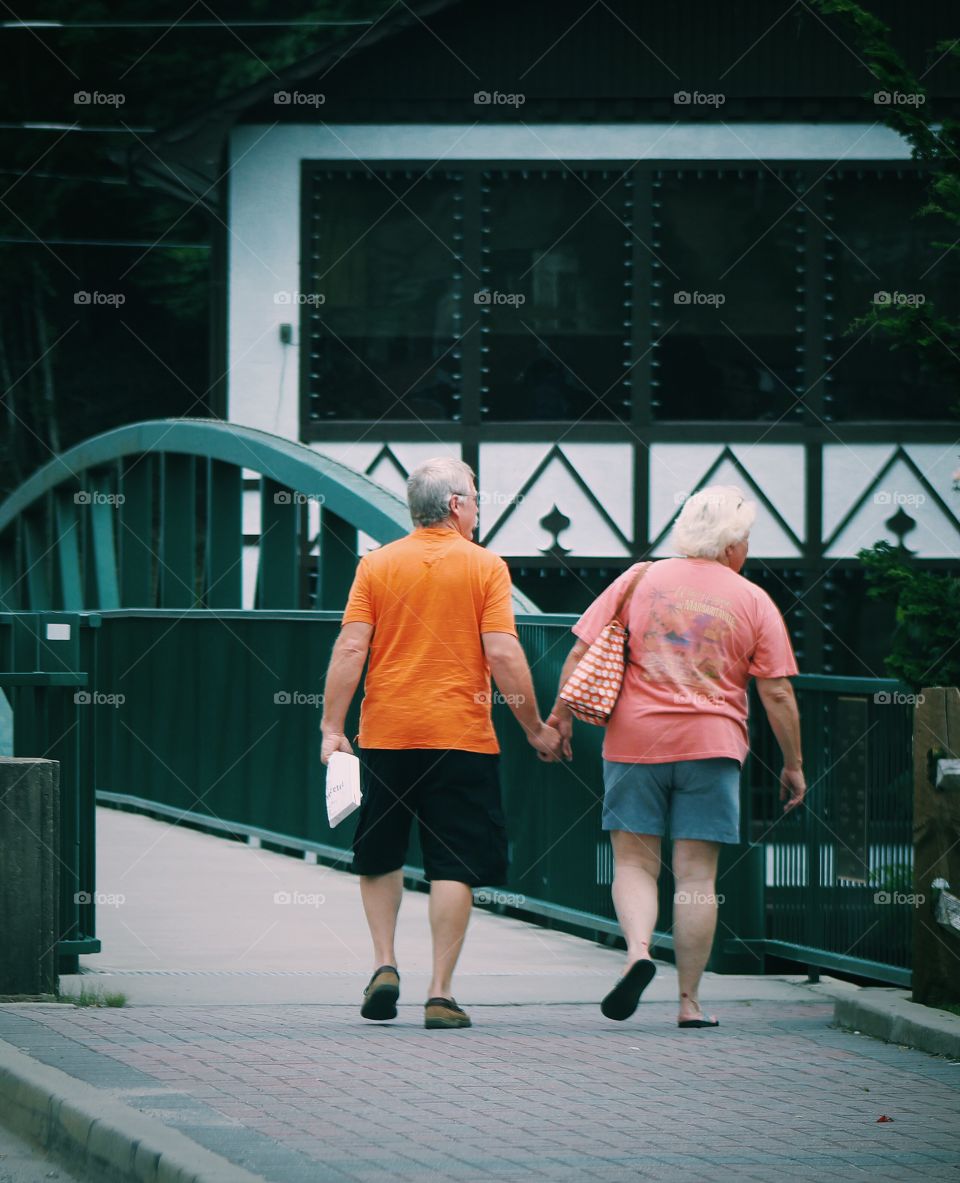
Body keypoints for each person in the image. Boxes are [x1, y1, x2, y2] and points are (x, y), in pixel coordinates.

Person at [547, 485, 805, 1028]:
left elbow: (579, 651)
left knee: (636, 863)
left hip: (635, 743)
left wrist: (561, 717)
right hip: (712, 747)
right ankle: (689, 1003)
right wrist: (793, 764)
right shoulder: (753, 599)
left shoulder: (639, 578)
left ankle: (639, 952)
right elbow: (777, 692)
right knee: (695, 879)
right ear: (731, 543)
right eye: (747, 540)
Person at [320, 457, 563, 1030]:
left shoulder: (376, 565)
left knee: (378, 852)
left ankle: (383, 964)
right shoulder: (485, 566)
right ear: (456, 505)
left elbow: (352, 648)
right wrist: (534, 728)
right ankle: (440, 993)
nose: (478, 508)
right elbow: (502, 653)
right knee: (453, 862)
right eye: (475, 499)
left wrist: (333, 728)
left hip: (386, 735)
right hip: (461, 738)